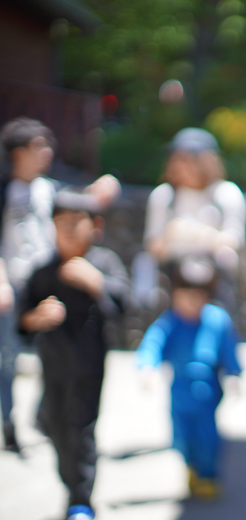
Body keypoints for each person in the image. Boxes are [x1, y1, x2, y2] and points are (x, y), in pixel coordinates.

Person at [0, 116, 120, 452]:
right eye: (39, 146)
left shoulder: (49, 188)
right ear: (18, 152)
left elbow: (75, 206)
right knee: (8, 359)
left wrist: (99, 190)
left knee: (52, 356)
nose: (47, 152)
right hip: (13, 285)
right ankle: (10, 423)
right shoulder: (6, 190)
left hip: (47, 282)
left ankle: (46, 416)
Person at [17, 190, 130, 520]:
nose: (67, 229)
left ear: (95, 226)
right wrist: (36, 317)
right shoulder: (43, 271)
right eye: (60, 222)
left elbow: (125, 306)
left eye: (76, 221)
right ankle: (72, 487)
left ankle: (81, 502)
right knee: (52, 424)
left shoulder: (104, 263)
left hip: (89, 367)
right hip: (52, 366)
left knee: (80, 430)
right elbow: (22, 319)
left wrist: (96, 283)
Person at [135, 255, 242, 501]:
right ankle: (190, 465)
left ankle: (209, 474)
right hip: (180, 392)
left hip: (208, 392)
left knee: (208, 437)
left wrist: (235, 374)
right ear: (174, 294)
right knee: (180, 436)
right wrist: (147, 367)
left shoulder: (217, 320)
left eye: (199, 296)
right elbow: (152, 344)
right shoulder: (170, 322)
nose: (192, 302)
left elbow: (229, 350)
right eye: (186, 295)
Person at [143, 127, 246, 317]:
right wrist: (171, 236)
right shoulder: (164, 196)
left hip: (214, 284)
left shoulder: (226, 193)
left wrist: (195, 233)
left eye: (188, 159)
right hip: (173, 281)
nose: (180, 165)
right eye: (177, 158)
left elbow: (234, 240)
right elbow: (153, 246)